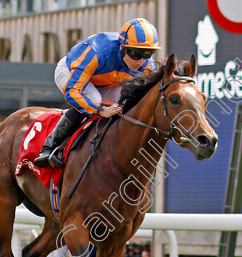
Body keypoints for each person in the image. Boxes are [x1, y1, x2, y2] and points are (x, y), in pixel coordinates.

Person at [33, 17, 160, 168]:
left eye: (147, 54)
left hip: (106, 81)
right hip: (70, 73)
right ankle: (49, 148)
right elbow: (74, 92)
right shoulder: (97, 52)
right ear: (122, 47)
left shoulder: (146, 66)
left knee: (129, 102)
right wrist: (100, 110)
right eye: (136, 54)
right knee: (93, 98)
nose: (140, 61)